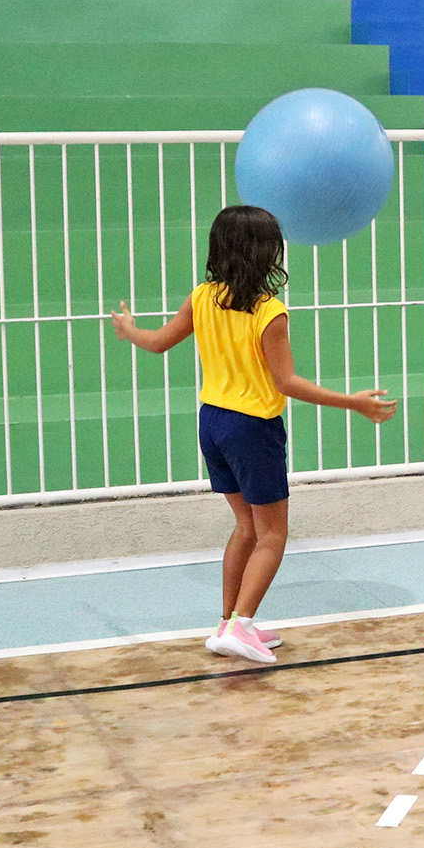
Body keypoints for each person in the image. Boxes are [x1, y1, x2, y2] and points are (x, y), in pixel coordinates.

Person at [110, 205, 396, 663]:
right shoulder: (269, 312)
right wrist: (354, 402)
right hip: (251, 429)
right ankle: (241, 626)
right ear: (267, 253)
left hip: (212, 422)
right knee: (272, 534)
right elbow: (287, 383)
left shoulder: (202, 297)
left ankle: (228, 623)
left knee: (246, 526)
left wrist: (129, 329)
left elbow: (159, 342)